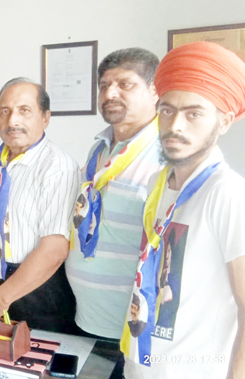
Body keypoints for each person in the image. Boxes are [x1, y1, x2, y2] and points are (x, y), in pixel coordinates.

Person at [120, 41, 245, 378]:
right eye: (166, 110)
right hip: (140, 364)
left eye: (194, 113)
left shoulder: (227, 193)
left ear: (225, 121)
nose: (175, 125)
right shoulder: (157, 184)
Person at [65, 48, 164, 343]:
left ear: (154, 90)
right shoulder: (99, 148)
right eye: (104, 85)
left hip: (133, 328)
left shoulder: (165, 153)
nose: (110, 93)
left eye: (125, 84)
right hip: (85, 317)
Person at [0, 78, 80, 333]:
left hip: (37, 291)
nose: (13, 121)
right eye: (5, 111)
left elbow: (55, 250)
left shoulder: (57, 166)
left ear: (45, 117)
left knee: (35, 366)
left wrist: (1, 298)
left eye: (24, 111)